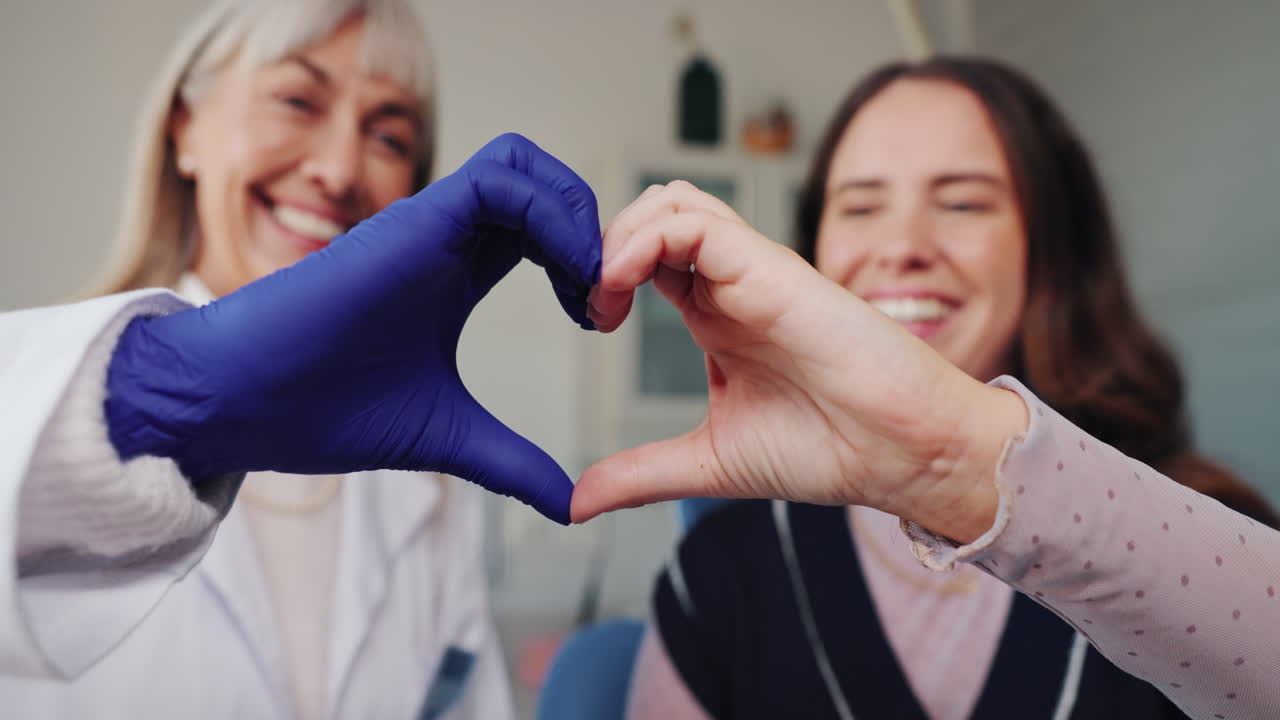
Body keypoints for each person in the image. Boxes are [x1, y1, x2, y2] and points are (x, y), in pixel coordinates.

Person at [572, 57, 1280, 720]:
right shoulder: (721, 578)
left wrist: (953, 463)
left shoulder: (1205, 541)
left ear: (1050, 251)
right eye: (859, 206)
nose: (903, 243)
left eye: (964, 204)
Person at [0, 1, 598, 718]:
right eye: (296, 99)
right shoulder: (37, 403)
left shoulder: (431, 489)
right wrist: (152, 397)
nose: (341, 170)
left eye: (388, 136)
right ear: (185, 129)